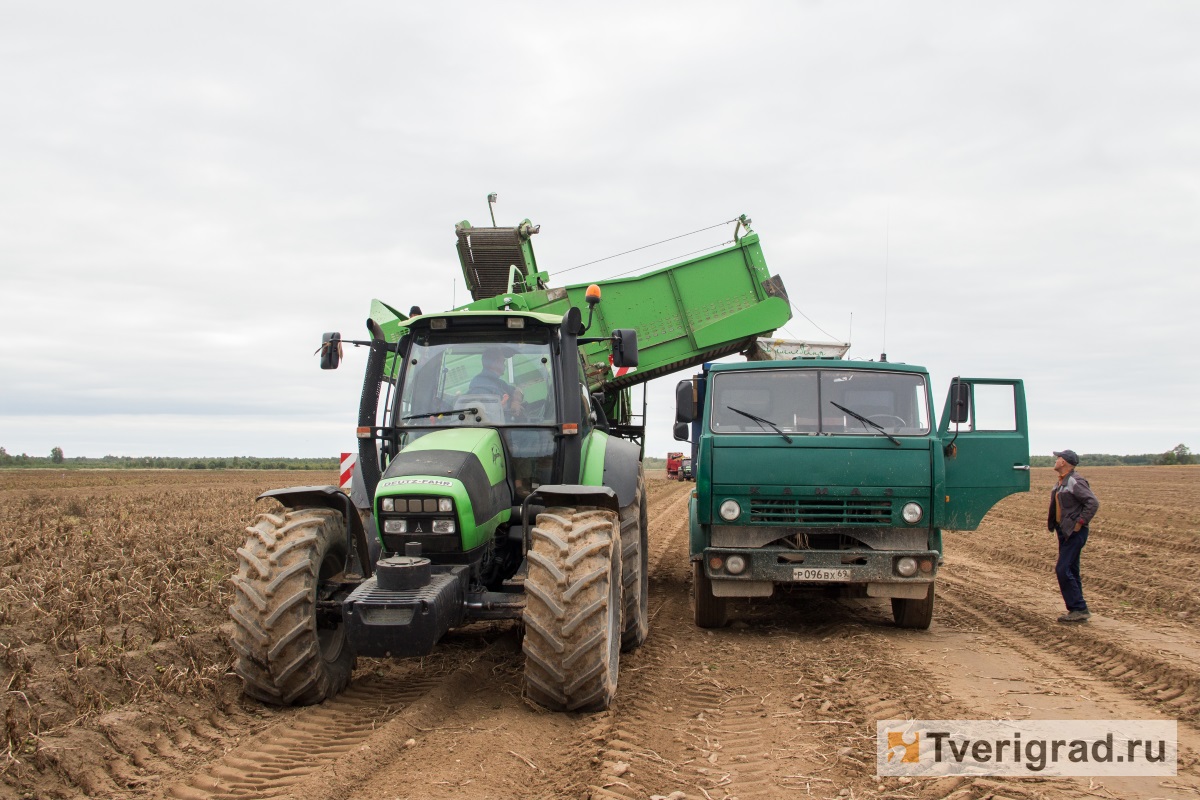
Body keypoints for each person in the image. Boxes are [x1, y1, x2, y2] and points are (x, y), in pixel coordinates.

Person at [1046, 449, 1100, 623]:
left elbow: (1092, 502)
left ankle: (1078, 608)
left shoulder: (1075, 481)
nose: (1055, 460)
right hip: (1065, 531)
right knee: (1072, 569)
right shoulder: (1062, 481)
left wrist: (1080, 522)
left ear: (1064, 462)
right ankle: (1079, 608)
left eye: (1058, 458)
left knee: (1062, 569)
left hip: (1074, 532)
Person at [468, 348, 523, 417]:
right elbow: (487, 415)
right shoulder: (479, 386)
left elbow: (517, 390)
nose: (505, 365)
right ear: (496, 363)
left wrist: (516, 401)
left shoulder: (499, 382)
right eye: (503, 362)